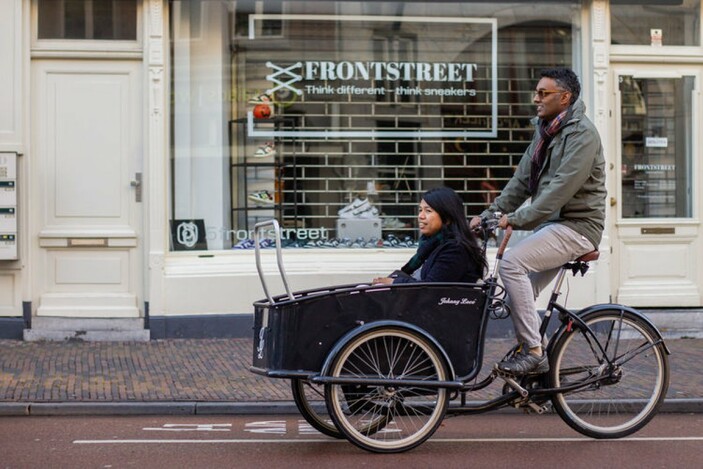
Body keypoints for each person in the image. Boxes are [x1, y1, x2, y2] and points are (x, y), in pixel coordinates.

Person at [470, 67, 606, 376]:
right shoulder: (546, 130)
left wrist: (514, 220)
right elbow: (520, 183)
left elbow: (558, 191)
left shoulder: (583, 135)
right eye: (536, 92)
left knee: (511, 264)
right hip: (553, 226)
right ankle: (541, 369)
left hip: (577, 228)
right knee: (522, 294)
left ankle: (533, 351)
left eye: (543, 93)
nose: (536, 99)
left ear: (565, 97)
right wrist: (489, 216)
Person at [373, 186, 486, 285]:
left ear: (447, 218)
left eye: (428, 211)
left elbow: (431, 288)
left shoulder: (455, 249)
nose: (420, 216)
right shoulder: (432, 245)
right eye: (420, 210)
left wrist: (394, 282)